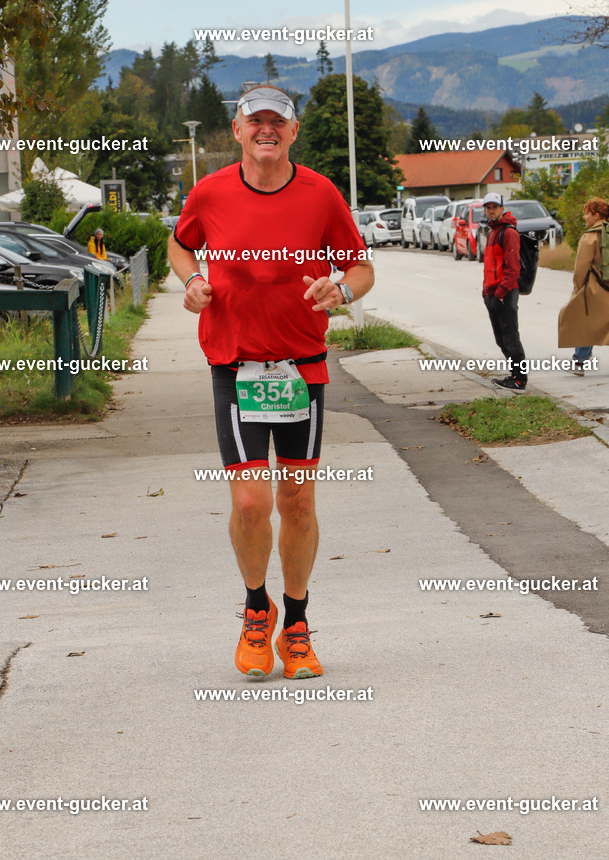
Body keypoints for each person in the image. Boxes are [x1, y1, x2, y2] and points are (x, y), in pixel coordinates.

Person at [167, 85, 374, 679]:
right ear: (236, 131)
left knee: (299, 503)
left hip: (299, 368)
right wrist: (192, 283)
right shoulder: (209, 194)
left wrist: (345, 290)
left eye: (276, 122)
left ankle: (298, 624)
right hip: (235, 366)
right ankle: (257, 611)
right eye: (254, 121)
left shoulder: (320, 194)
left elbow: (360, 265)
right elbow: (181, 246)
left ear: (293, 131)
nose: (265, 130)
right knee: (253, 502)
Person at [558, 197, 609, 376]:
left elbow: (581, 268)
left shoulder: (589, 238)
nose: (584, 217)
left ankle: (580, 362)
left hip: (594, 289)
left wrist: (577, 289)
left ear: (596, 215)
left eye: (587, 213)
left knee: (585, 321)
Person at [481, 192, 528, 392]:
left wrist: (500, 293)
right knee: (501, 338)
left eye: (495, 207)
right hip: (492, 293)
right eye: (488, 207)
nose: (491, 210)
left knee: (511, 337)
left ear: (502, 208)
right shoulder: (492, 230)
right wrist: (487, 292)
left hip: (505, 293)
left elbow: (512, 268)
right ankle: (514, 376)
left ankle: (520, 380)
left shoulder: (508, 232)